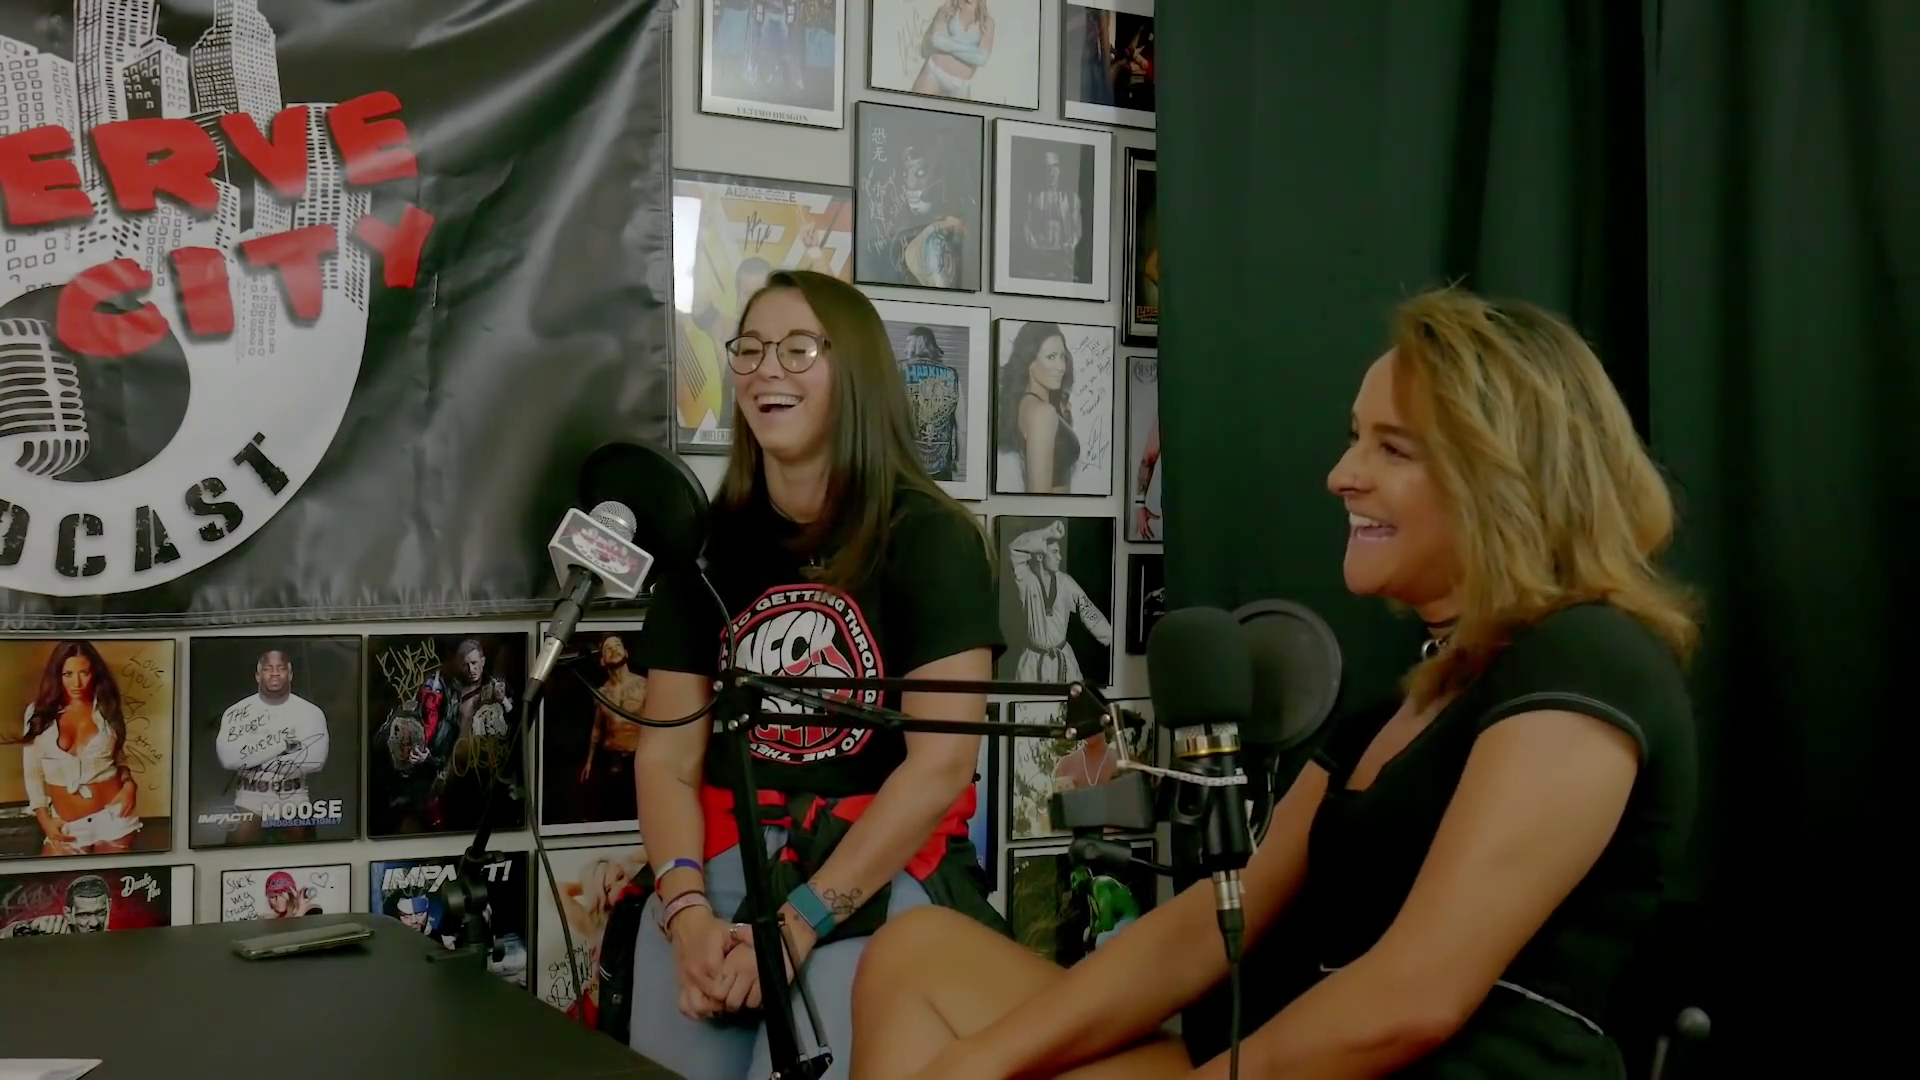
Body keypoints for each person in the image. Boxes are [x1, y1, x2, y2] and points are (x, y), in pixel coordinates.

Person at [849, 287, 1700, 1079]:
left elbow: (1412, 1000)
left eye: (1391, 448)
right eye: (1355, 437)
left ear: (1505, 476)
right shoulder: (1390, 716)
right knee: (915, 955)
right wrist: (978, 1064)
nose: (1342, 475)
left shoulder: (1589, 660)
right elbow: (1207, 929)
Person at [627, 269, 1006, 1080]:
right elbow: (666, 757)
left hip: (869, 873)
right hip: (719, 869)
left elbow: (940, 769)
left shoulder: (931, 539)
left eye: (799, 349)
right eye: (751, 349)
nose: (768, 369)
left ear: (855, 372)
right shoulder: (706, 549)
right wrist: (685, 915)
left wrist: (798, 922)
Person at [9, 640, 142, 855]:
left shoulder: (106, 707)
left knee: (111, 877)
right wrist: (45, 820)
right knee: (54, 876)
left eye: (84, 673)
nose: (77, 683)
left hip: (114, 818)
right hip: (66, 824)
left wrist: (129, 785)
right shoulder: (38, 713)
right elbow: (32, 772)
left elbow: (117, 754)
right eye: (68, 674)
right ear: (57, 675)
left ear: (94, 673)